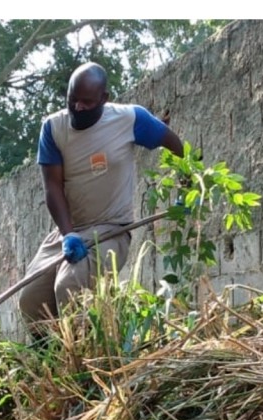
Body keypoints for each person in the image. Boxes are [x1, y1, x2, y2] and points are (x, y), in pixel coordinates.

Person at [18, 61, 186, 330]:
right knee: (31, 299)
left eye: (86, 102)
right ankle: (48, 354)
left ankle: (83, 354)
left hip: (111, 229)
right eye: (72, 99)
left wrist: (187, 190)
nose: (78, 107)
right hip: (69, 232)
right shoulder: (54, 128)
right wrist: (68, 234)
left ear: (104, 98)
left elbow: (177, 147)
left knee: (69, 287)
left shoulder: (129, 119)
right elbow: (52, 187)